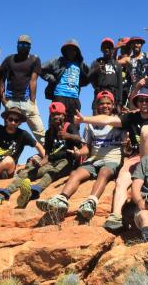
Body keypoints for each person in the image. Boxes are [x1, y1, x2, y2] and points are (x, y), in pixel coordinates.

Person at [76, 88, 148, 231]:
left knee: (146, 130)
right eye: (141, 100)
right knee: (121, 181)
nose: (144, 103)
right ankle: (116, 216)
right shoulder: (131, 118)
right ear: (137, 102)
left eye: (147, 100)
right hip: (135, 157)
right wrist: (85, 119)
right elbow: (109, 119)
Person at [36, 91, 126, 221]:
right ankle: (62, 199)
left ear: (113, 105)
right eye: (101, 103)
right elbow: (87, 147)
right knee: (76, 174)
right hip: (94, 159)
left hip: (112, 159)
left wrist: (127, 146)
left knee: (104, 173)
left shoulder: (118, 122)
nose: (105, 106)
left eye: (108, 103)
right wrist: (79, 152)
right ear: (97, 106)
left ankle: (91, 202)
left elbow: (126, 145)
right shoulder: (90, 124)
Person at [0, 101, 80, 208]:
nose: (56, 117)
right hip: (51, 161)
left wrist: (68, 135)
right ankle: (1, 195)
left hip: (66, 162)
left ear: (64, 115)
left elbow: (80, 140)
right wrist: (39, 164)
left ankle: (31, 194)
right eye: (53, 115)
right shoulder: (49, 133)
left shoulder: (69, 127)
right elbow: (48, 154)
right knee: (26, 173)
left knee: (50, 175)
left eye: (58, 114)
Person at [0, 35, 45, 142]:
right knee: (8, 133)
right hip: (11, 101)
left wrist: (33, 101)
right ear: (17, 45)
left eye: (26, 44)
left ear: (30, 46)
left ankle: (50, 156)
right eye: (21, 44)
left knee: (40, 133)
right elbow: (2, 79)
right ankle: (4, 156)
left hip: (27, 101)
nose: (23, 46)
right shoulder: (10, 59)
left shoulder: (34, 59)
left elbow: (33, 80)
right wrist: (3, 99)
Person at [41, 39, 90, 134]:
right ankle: (52, 146)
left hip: (74, 98)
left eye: (73, 50)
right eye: (68, 49)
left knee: (74, 125)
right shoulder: (57, 61)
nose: (71, 52)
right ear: (65, 51)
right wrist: (50, 78)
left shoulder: (81, 65)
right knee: (55, 123)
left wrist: (80, 83)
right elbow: (40, 68)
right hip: (59, 96)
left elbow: (90, 76)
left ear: (77, 52)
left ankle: (74, 146)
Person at [88, 38, 124, 104]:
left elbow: (120, 85)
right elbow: (88, 78)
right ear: (101, 49)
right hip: (99, 94)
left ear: (113, 49)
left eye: (109, 47)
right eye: (104, 47)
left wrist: (120, 102)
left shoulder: (117, 65)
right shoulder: (96, 62)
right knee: (98, 114)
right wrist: (97, 70)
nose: (107, 49)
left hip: (114, 96)